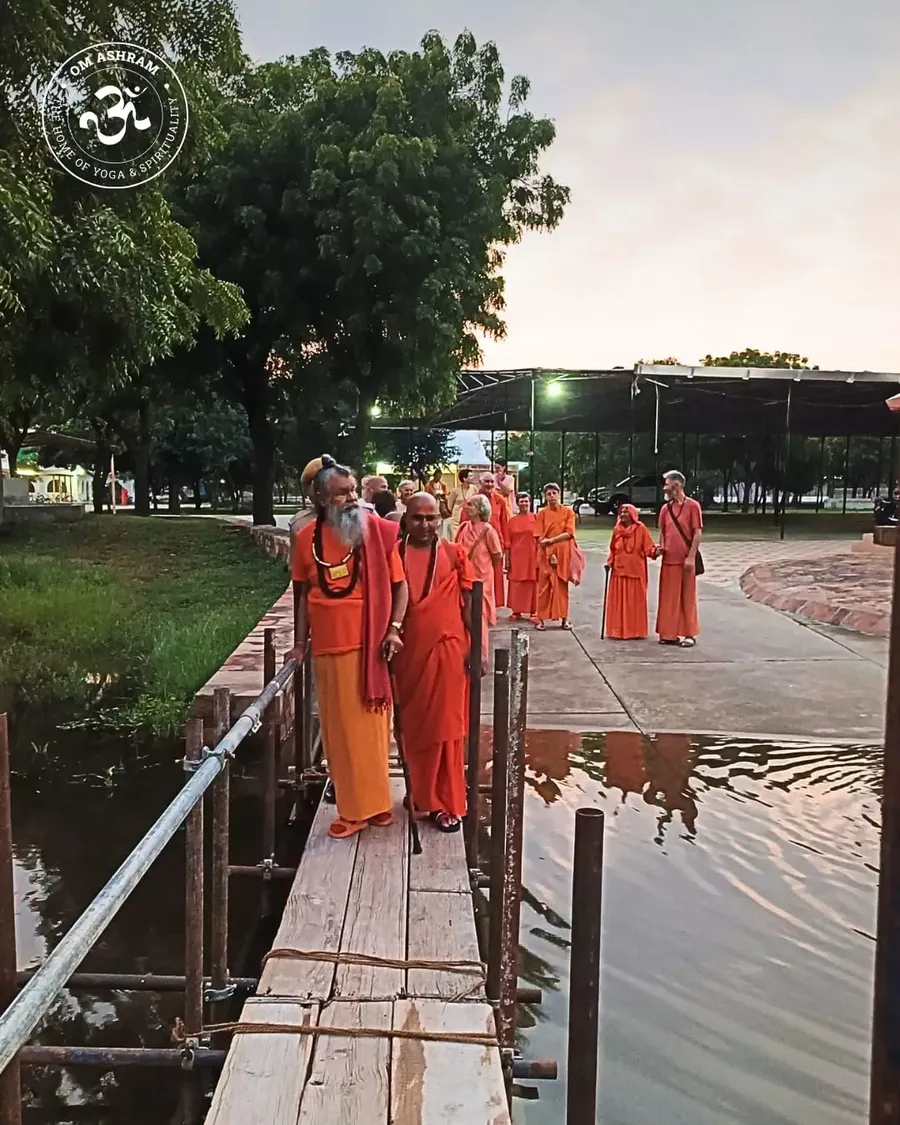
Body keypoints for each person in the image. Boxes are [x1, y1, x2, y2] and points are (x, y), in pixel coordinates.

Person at [286, 456, 408, 839]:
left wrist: (394, 629)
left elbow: (399, 585)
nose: (352, 498)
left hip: (369, 643)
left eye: (353, 490)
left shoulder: (374, 531)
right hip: (327, 645)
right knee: (339, 731)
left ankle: (375, 806)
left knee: (372, 730)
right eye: (341, 494)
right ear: (321, 498)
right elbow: (302, 595)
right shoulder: (307, 539)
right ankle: (355, 809)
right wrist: (298, 643)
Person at [391, 493, 478, 833]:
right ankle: (420, 795)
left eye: (431, 518)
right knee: (412, 730)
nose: (425, 525)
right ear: (406, 520)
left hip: (448, 650)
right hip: (409, 655)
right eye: (417, 518)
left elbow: (469, 603)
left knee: (447, 728)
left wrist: (479, 648)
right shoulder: (395, 554)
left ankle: (446, 803)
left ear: (441, 519)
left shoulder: (456, 554)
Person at [656, 469, 702, 648]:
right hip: (669, 561)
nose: (664, 488)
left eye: (666, 484)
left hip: (685, 561)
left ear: (677, 484)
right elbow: (662, 532)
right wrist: (661, 547)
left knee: (687, 598)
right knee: (668, 598)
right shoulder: (665, 509)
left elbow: (697, 534)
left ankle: (689, 634)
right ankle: (668, 633)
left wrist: (691, 557)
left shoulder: (692, 506)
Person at [455, 494, 503, 651]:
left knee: (479, 616)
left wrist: (484, 569)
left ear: (479, 510)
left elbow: (497, 555)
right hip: (463, 578)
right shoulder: (463, 527)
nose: (466, 507)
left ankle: (481, 655)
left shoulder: (488, 530)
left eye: (470, 505)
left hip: (481, 579)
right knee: (464, 614)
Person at [604, 503, 658, 640]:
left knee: (635, 603)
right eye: (621, 512)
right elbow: (613, 550)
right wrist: (609, 562)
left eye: (626, 512)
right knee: (618, 603)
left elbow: (648, 549)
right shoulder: (617, 530)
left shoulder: (641, 529)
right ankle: (617, 631)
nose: (623, 515)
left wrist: (656, 552)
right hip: (619, 572)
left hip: (635, 572)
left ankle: (635, 631)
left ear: (633, 514)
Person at [461, 472, 510, 608]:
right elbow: (464, 522)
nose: (489, 484)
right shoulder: (473, 501)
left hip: (495, 542)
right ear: (480, 483)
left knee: (493, 577)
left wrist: (507, 546)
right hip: (475, 544)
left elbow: (504, 524)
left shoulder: (500, 500)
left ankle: (491, 606)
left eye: (491, 482)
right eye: (486, 481)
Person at [533, 483, 577, 630]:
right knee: (544, 588)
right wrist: (549, 553)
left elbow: (570, 533)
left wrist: (552, 541)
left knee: (562, 587)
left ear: (559, 494)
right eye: (548, 494)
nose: (551, 496)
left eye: (554, 493)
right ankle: (541, 620)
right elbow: (539, 536)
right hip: (546, 554)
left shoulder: (568, 512)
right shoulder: (542, 514)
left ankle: (564, 619)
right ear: (545, 496)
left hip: (563, 554)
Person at [505, 492, 538, 621]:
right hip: (516, 556)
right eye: (521, 501)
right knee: (516, 583)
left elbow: (541, 539)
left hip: (532, 555)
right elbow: (507, 543)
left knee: (532, 582)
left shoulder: (536, 519)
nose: (524, 504)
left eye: (526, 501)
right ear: (517, 503)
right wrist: (507, 560)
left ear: (530, 503)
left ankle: (533, 611)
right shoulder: (511, 522)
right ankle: (516, 610)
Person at [447, 469, 476, 538]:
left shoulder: (474, 489)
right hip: (456, 520)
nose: (473, 478)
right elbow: (449, 505)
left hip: (469, 518)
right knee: (455, 538)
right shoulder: (455, 491)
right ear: (464, 478)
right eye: (471, 476)